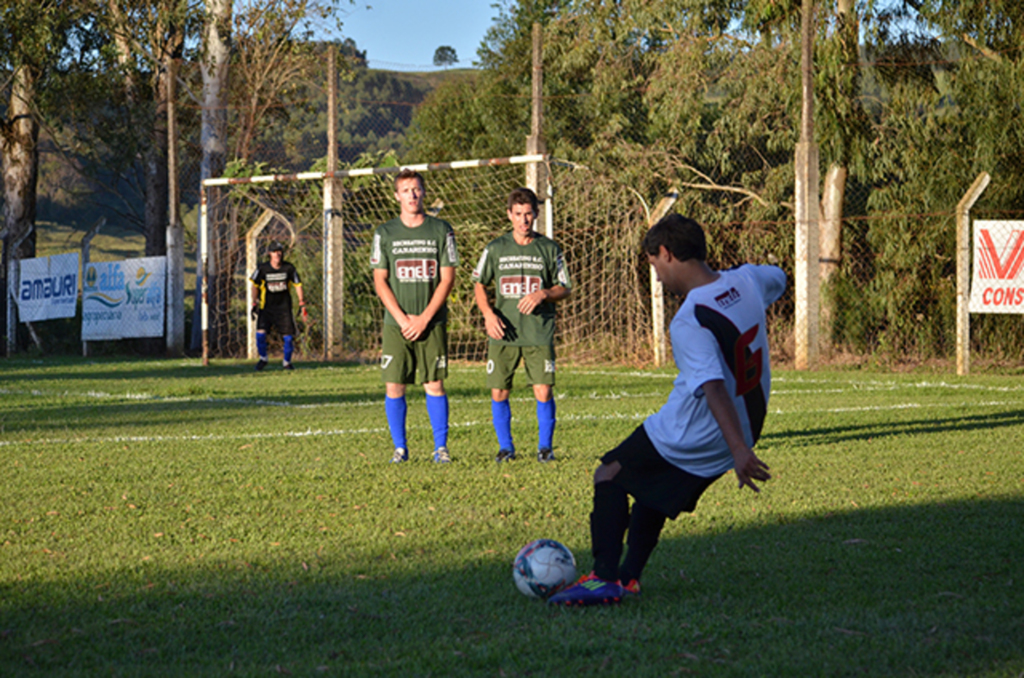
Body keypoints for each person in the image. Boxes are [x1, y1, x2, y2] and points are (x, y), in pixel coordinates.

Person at [548, 214, 787, 606]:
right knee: (652, 493)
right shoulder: (747, 280)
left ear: (666, 252)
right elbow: (778, 276)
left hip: (696, 432)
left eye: (654, 265)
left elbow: (712, 388)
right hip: (742, 426)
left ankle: (603, 578)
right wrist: (739, 445)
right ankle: (629, 579)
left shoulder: (690, 319)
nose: (656, 276)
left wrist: (740, 450)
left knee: (608, 473)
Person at [472, 187, 572, 463]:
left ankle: (545, 448)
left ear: (536, 214)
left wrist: (544, 293)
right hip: (503, 331)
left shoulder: (550, 248)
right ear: (509, 215)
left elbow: (565, 287)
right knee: (499, 390)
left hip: (538, 330)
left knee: (543, 389)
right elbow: (479, 284)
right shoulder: (495, 248)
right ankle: (506, 448)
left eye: (528, 214)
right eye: (518, 214)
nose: (523, 220)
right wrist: (488, 314)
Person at [371, 169, 458, 464]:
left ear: (424, 192)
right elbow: (380, 280)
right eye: (406, 190)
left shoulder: (441, 229)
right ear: (396, 195)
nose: (412, 194)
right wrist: (403, 318)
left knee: (433, 383)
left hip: (431, 322)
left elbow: (447, 279)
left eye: (417, 189)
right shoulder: (385, 232)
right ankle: (400, 448)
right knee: (394, 384)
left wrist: (423, 318)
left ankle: (441, 448)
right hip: (397, 324)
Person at [250, 240, 308, 371]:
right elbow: (255, 285)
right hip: (266, 308)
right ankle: (263, 359)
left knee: (288, 337)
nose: (278, 254)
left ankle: (287, 362)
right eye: (275, 252)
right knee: (260, 334)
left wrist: (302, 302)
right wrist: (254, 302)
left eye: (280, 252)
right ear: (270, 254)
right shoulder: (263, 269)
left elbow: (298, 285)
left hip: (284, 309)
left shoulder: (289, 268)